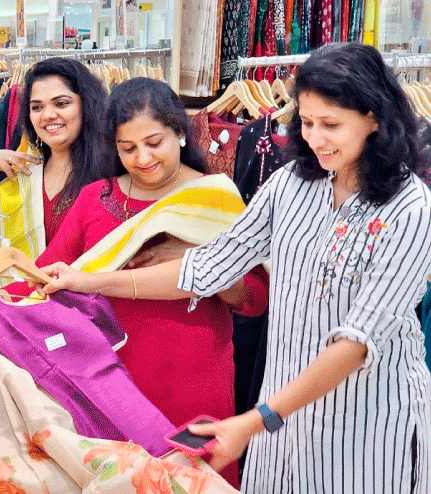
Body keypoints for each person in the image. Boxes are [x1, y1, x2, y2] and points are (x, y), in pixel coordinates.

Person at [41, 43, 431, 493]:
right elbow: (208, 266)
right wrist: (85, 279)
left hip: (366, 422)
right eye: (306, 123)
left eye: (331, 125)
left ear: (374, 118)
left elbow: (359, 342)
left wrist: (256, 419)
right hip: (280, 423)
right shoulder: (291, 186)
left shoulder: (411, 209)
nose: (315, 138)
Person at [17, 77, 268, 488]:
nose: (143, 158)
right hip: (107, 380)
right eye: (128, 148)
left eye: (154, 143)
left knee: (193, 482)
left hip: (192, 380)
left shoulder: (214, 200)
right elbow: (47, 276)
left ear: (179, 133)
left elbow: (255, 299)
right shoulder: (95, 198)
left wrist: (202, 265)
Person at [0, 57, 109, 263]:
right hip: (22, 286)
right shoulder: (24, 177)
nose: (47, 115)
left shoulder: (111, 174)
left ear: (87, 105)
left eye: (61, 103)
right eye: (37, 107)